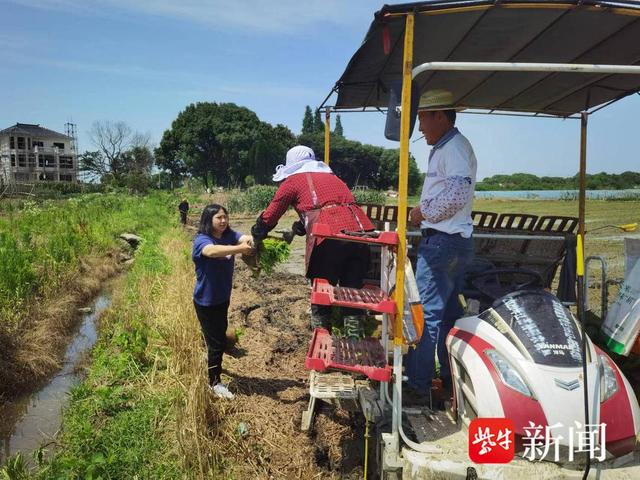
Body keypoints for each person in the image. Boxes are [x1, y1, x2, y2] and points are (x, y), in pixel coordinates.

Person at [250, 145, 374, 339]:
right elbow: (325, 207)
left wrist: (258, 233)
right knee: (351, 292)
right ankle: (355, 339)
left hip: (329, 239)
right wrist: (298, 228)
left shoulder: (293, 181)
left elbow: (272, 213)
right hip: (358, 236)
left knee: (321, 290)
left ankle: (321, 338)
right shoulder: (333, 178)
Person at [406, 89, 477, 403]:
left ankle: (417, 385)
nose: (420, 127)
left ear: (440, 116)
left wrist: (423, 212)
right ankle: (450, 379)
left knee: (426, 314)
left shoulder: (454, 148)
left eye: (422, 118)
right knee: (448, 314)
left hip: (442, 243)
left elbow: (458, 194)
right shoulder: (448, 147)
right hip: (452, 242)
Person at [192, 204, 254, 399]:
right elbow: (211, 252)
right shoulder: (202, 240)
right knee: (217, 343)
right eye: (219, 217)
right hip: (206, 301)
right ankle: (214, 383)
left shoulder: (228, 235)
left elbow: (243, 238)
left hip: (222, 298)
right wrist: (239, 249)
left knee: (217, 336)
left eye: (225, 217)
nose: (223, 220)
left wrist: (254, 240)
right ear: (208, 219)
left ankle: (211, 359)